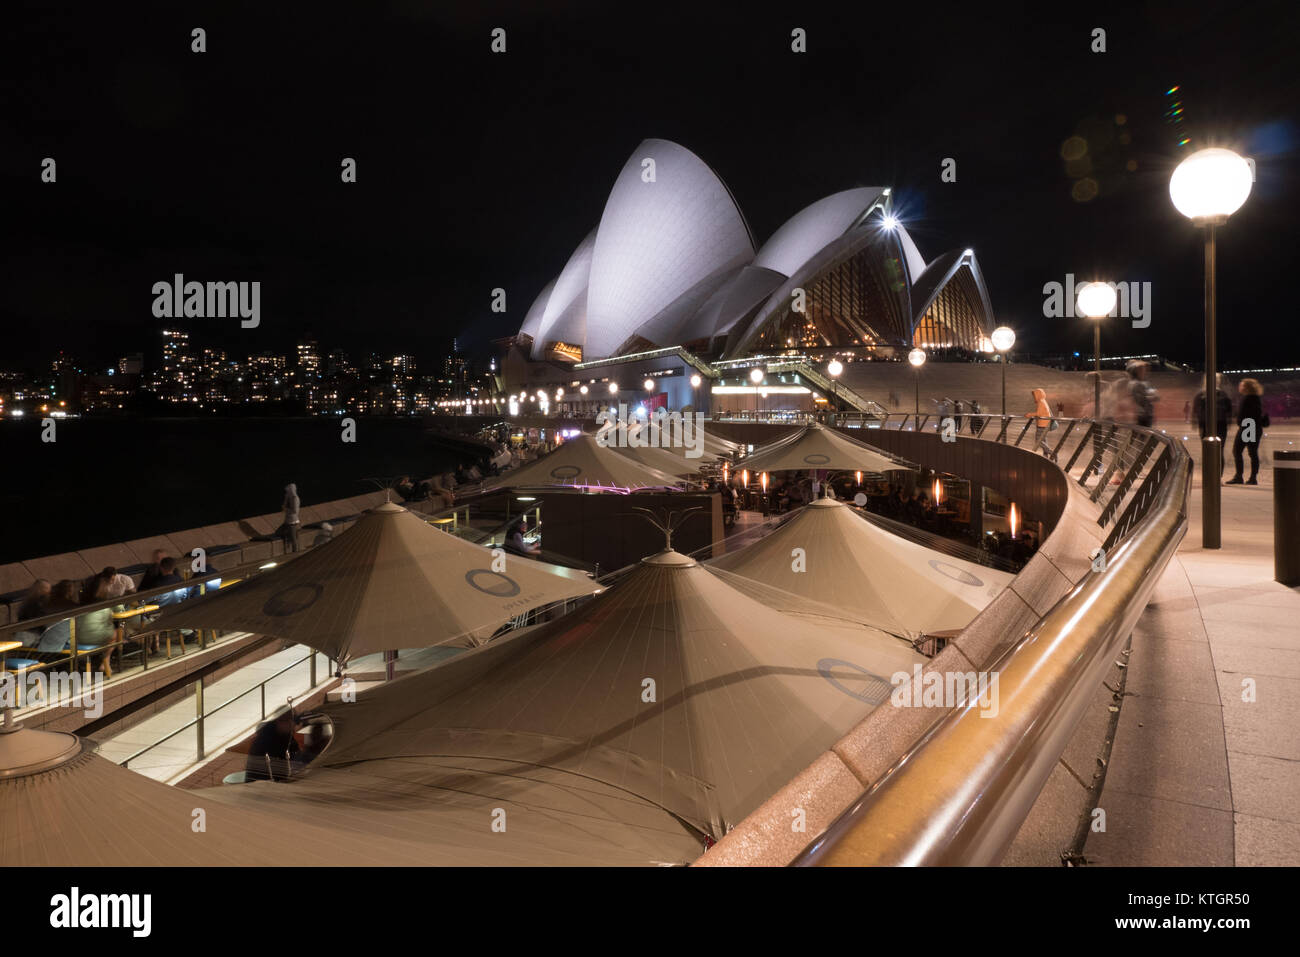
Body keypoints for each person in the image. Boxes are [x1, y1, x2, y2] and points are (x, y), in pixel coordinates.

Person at [1227, 378, 1267, 486]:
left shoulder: (1248, 398)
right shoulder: (1255, 398)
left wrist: (1240, 423)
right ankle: (1252, 478)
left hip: (1248, 427)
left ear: (1247, 387)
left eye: (1242, 385)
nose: (1240, 386)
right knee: (1252, 453)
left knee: (1237, 451)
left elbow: (1246, 415)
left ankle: (1239, 476)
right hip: (1253, 427)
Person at [1193, 374, 1233, 478]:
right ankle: (1212, 476)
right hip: (1211, 425)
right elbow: (1196, 410)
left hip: (1215, 425)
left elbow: (1229, 410)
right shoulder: (1204, 395)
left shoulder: (1220, 394)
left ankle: (1214, 477)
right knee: (1213, 451)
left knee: (1215, 451)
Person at [244, 709, 299, 782]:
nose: (294, 725)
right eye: (291, 721)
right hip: (260, 784)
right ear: (280, 722)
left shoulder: (284, 733)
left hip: (272, 780)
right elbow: (279, 770)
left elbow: (296, 755)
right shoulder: (267, 738)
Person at [1125, 360, 1158, 427]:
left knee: (1144, 435)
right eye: (1141, 369)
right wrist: (1151, 396)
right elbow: (1142, 399)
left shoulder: (1145, 383)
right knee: (1142, 435)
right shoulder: (1135, 384)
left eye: (1144, 369)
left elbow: (1156, 396)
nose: (1144, 371)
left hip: (1147, 415)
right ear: (1135, 371)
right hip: (1142, 416)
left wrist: (1151, 395)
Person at [1026, 388, 1056, 460]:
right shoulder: (1043, 401)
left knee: (1038, 441)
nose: (1034, 397)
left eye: (1034, 395)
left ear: (1038, 395)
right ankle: (1046, 458)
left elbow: (1039, 413)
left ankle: (1052, 453)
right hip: (1045, 424)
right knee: (1043, 441)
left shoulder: (1041, 402)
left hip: (1042, 425)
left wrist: (1029, 414)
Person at [282, 483, 301, 552]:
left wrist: (285, 509)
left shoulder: (295, 498)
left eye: (288, 491)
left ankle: (295, 553)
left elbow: (295, 511)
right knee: (292, 538)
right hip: (289, 521)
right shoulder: (290, 498)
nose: (287, 492)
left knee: (293, 539)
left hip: (292, 521)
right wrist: (286, 499)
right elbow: (284, 506)